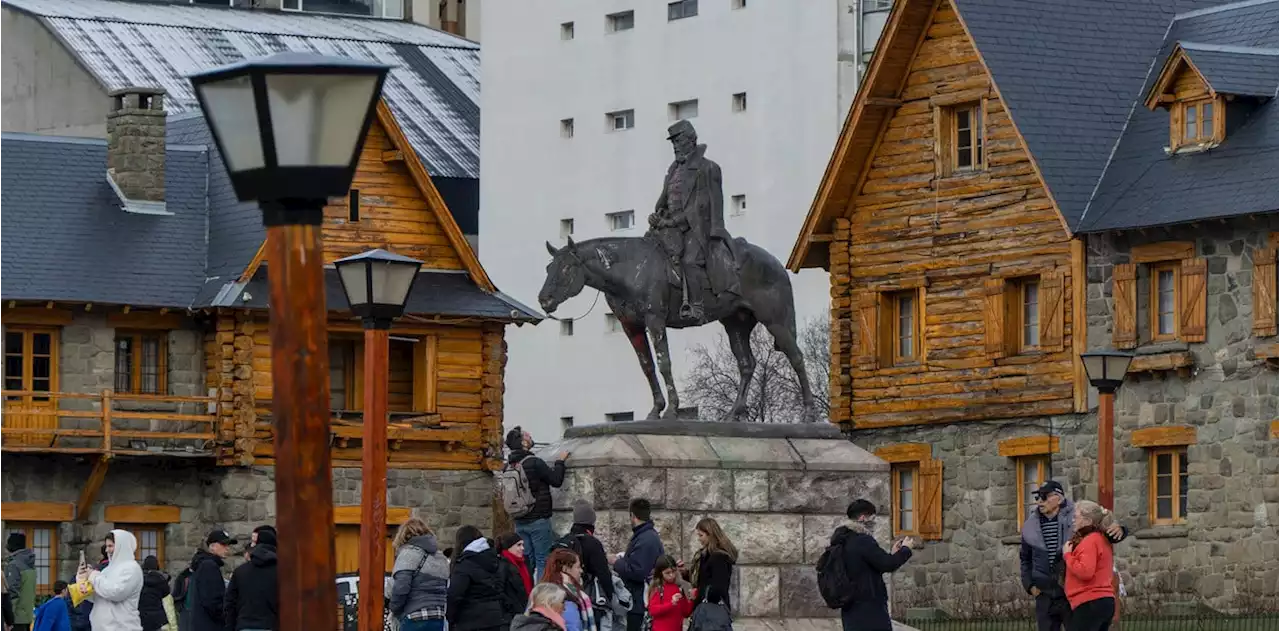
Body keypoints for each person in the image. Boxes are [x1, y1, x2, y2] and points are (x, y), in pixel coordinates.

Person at [647, 119, 739, 321]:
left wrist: (674, 221)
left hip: (698, 228)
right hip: (671, 226)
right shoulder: (673, 169)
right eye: (673, 142)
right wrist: (658, 214)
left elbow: (703, 206)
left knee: (689, 261)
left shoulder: (707, 168)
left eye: (678, 141)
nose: (675, 146)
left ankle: (696, 306)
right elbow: (666, 198)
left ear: (691, 140)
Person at [1021, 481, 1128, 631]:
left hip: (1069, 595)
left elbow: (1104, 531)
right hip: (1044, 594)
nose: (1039, 501)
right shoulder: (1030, 525)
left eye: (1044, 497)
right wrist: (1029, 585)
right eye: (1038, 496)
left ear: (1058, 498)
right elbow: (1025, 558)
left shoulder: (1077, 517)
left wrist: (1121, 530)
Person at [831, 500, 912, 631]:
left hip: (850, 606)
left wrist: (892, 554)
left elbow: (869, 566)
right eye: (873, 518)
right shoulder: (863, 540)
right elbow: (887, 565)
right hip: (869, 607)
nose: (874, 523)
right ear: (863, 518)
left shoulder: (843, 539)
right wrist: (906, 550)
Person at [504, 427, 569, 577]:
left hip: (519, 520)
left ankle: (527, 596)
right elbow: (556, 480)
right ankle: (541, 596)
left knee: (526, 561)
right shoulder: (534, 462)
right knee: (543, 561)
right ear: (524, 443)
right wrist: (560, 462)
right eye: (527, 435)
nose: (530, 435)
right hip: (538, 519)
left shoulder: (508, 466)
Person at [1063, 501, 1117, 631]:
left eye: (1076, 517)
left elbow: (1085, 572)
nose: (1073, 520)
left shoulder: (1090, 541)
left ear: (1087, 521)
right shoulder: (1101, 539)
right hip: (1103, 601)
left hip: (1089, 601)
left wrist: (1068, 556)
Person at [557, 501, 613, 626]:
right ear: (591, 522)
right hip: (589, 600)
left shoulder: (565, 540)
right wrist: (610, 597)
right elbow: (604, 574)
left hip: (564, 596)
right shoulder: (592, 543)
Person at [611, 499, 664, 631]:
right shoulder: (646, 536)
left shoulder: (645, 539)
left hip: (637, 603)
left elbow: (637, 571)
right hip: (637, 600)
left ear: (633, 516)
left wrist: (615, 562)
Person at [388, 519, 449, 631]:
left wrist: (394, 609)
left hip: (414, 618)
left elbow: (401, 588)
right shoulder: (441, 558)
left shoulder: (408, 554)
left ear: (403, 536)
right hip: (438, 618)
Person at [80, 530, 143, 631]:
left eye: (110, 546)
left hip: (122, 627)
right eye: (106, 546)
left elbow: (116, 592)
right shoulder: (108, 569)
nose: (107, 550)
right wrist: (83, 582)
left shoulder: (132, 568)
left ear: (121, 546)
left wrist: (93, 576)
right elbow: (99, 595)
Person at [444, 526, 504, 631]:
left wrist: (450, 617)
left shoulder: (464, 565)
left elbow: (455, 595)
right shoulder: (494, 560)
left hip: (470, 620)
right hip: (495, 618)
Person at [179, 530, 236, 631]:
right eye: (223, 544)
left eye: (228, 545)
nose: (227, 548)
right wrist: (227, 617)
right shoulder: (209, 566)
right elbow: (213, 602)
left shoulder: (206, 564)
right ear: (212, 546)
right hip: (209, 625)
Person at [223, 529, 277, 631]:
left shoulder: (240, 571)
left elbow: (230, 604)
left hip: (244, 625)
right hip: (271, 625)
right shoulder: (282, 572)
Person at [682, 518, 737, 612]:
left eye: (701, 535)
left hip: (713, 611)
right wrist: (683, 573)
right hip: (705, 609)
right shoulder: (706, 554)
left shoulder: (719, 557)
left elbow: (718, 588)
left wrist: (698, 593)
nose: (699, 539)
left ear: (710, 535)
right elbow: (702, 579)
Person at [539, 549, 592, 631]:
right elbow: (572, 626)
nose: (581, 571)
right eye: (578, 567)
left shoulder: (540, 591)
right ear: (565, 569)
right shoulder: (567, 598)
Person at [646, 556, 691, 631]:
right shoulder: (658, 588)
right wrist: (671, 603)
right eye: (667, 573)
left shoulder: (679, 588)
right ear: (660, 573)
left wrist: (692, 599)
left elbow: (686, 612)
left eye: (673, 571)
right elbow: (653, 610)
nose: (671, 575)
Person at [496, 533, 532, 626]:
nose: (522, 548)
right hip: (511, 615)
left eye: (523, 545)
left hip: (525, 610)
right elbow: (499, 591)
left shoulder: (524, 563)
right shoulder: (502, 565)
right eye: (518, 545)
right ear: (509, 547)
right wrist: (511, 606)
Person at [5, 532, 36, 631]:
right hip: (27, 616)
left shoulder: (14, 565)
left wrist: (8, 619)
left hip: (16, 618)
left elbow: (12, 592)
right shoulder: (30, 563)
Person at [138, 556, 171, 631]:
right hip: (157, 617)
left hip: (141, 614)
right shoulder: (161, 579)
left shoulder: (139, 578)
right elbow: (166, 592)